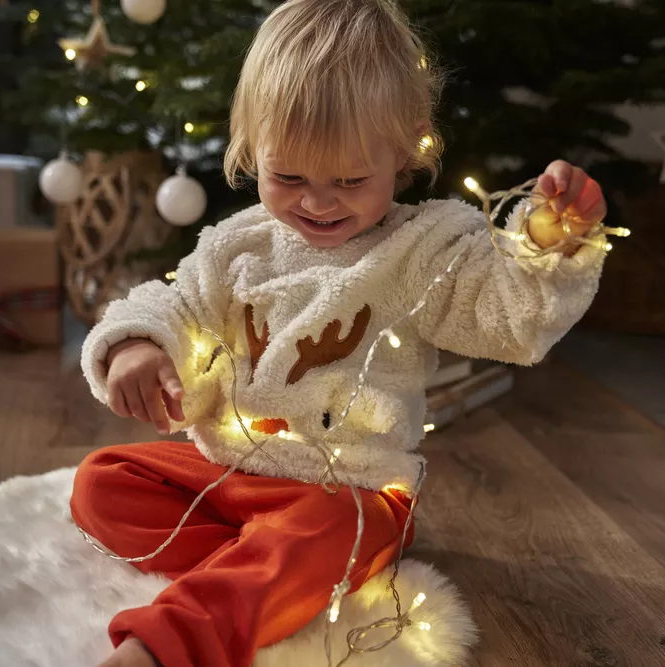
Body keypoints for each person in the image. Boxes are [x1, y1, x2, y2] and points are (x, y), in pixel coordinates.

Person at [70, 0, 608, 665]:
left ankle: (180, 635)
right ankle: (271, 573)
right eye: (287, 176)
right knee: (102, 480)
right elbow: (174, 304)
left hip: (355, 491)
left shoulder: (421, 250)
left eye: (351, 180)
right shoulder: (235, 247)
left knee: (328, 530)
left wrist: (546, 243)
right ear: (249, 149)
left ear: (407, 148)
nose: (318, 202)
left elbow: (508, 317)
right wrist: (137, 345)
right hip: (237, 472)